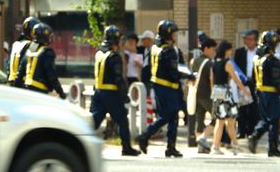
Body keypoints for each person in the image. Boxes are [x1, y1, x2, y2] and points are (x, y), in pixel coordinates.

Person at [136, 20, 195, 158]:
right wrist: (189, 75)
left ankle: (171, 147)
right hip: (168, 88)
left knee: (173, 117)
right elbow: (174, 74)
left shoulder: (155, 48)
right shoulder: (168, 51)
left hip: (159, 86)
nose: (176, 36)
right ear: (168, 34)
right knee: (168, 116)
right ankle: (144, 136)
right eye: (174, 33)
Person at [91, 26, 141, 156]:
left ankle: (76, 144)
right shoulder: (114, 56)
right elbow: (118, 78)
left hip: (98, 93)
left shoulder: (99, 54)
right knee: (123, 121)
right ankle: (126, 148)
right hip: (111, 94)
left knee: (93, 122)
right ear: (116, 40)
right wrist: (125, 96)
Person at [200, 40, 246, 155]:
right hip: (226, 92)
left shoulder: (214, 63)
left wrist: (213, 94)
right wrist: (245, 90)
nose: (231, 52)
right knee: (231, 121)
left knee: (219, 122)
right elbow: (235, 79)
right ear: (227, 50)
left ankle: (216, 147)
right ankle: (234, 146)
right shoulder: (228, 63)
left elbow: (212, 80)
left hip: (216, 92)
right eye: (230, 50)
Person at [248, 30, 280, 157]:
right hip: (271, 94)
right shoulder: (273, 60)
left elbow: (252, 79)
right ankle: (272, 148)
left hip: (260, 93)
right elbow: (277, 81)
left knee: (266, 120)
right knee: (274, 120)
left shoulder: (256, 59)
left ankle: (255, 136)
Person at [20, 22, 66, 99]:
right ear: (45, 37)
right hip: (40, 93)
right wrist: (61, 94)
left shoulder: (27, 53)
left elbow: (20, 75)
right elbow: (52, 77)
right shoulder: (46, 53)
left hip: (26, 92)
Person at [189, 37, 216, 149]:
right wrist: (215, 96)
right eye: (213, 49)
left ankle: (201, 147)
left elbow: (191, 78)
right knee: (218, 117)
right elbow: (211, 80)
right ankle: (203, 137)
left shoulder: (194, 61)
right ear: (206, 48)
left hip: (196, 94)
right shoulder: (209, 63)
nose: (214, 52)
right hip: (207, 95)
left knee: (199, 120)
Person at [234, 29, 259, 138]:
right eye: (246, 39)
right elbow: (236, 68)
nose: (248, 42)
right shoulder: (240, 52)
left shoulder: (260, 52)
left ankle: (251, 131)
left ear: (256, 40)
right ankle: (241, 130)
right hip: (242, 83)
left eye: (250, 39)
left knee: (254, 108)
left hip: (256, 83)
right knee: (242, 108)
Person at [8, 16, 39, 88]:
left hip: (11, 82)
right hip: (21, 83)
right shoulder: (30, 45)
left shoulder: (16, 44)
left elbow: (8, 65)